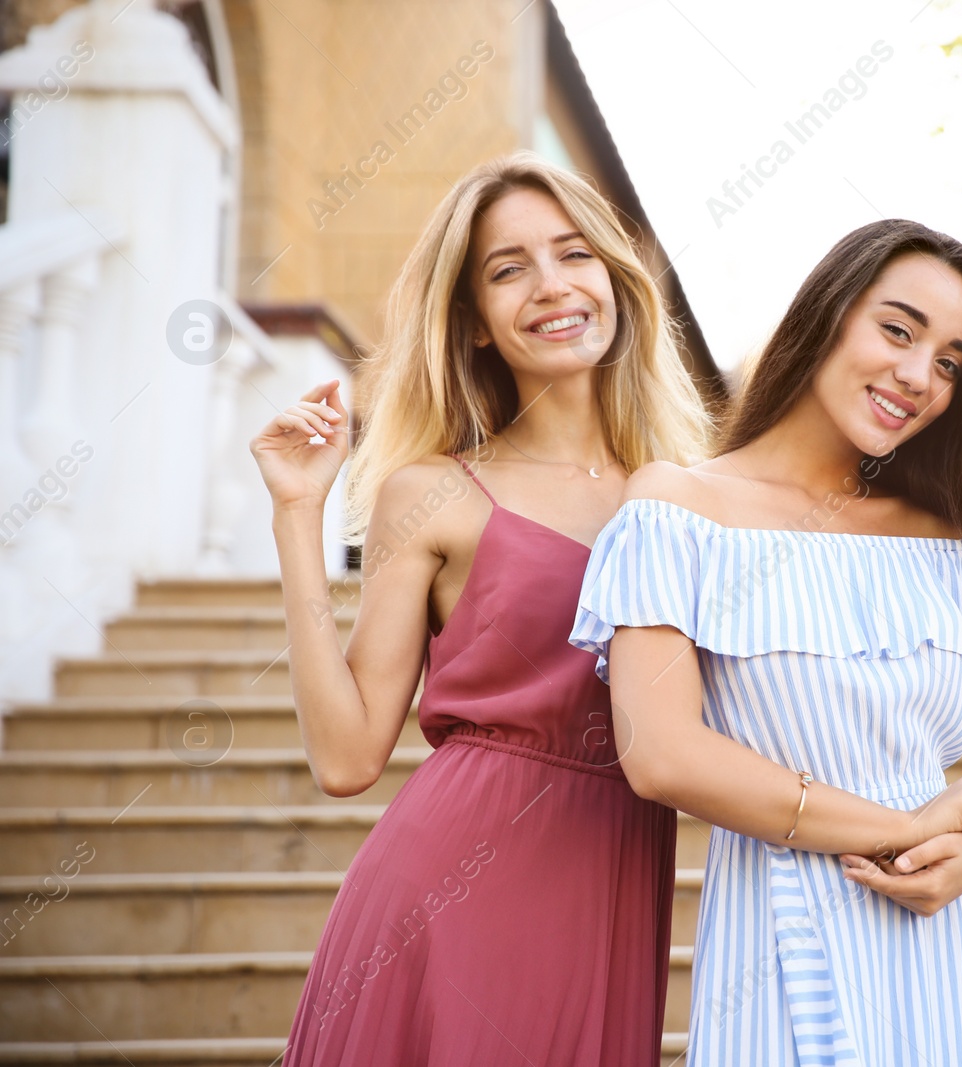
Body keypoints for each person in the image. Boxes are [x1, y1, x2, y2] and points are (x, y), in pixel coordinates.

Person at [248, 151, 711, 1065]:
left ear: (614, 280)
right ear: (473, 325)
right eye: (509, 269)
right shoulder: (436, 493)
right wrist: (299, 515)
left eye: (574, 254)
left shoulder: (691, 499)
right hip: (446, 890)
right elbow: (346, 757)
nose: (551, 285)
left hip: (613, 882)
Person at [569, 219, 962, 1065]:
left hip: (951, 942)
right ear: (826, 314)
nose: (917, 376)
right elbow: (662, 756)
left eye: (948, 362)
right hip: (778, 932)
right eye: (897, 330)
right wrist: (902, 825)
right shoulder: (680, 511)